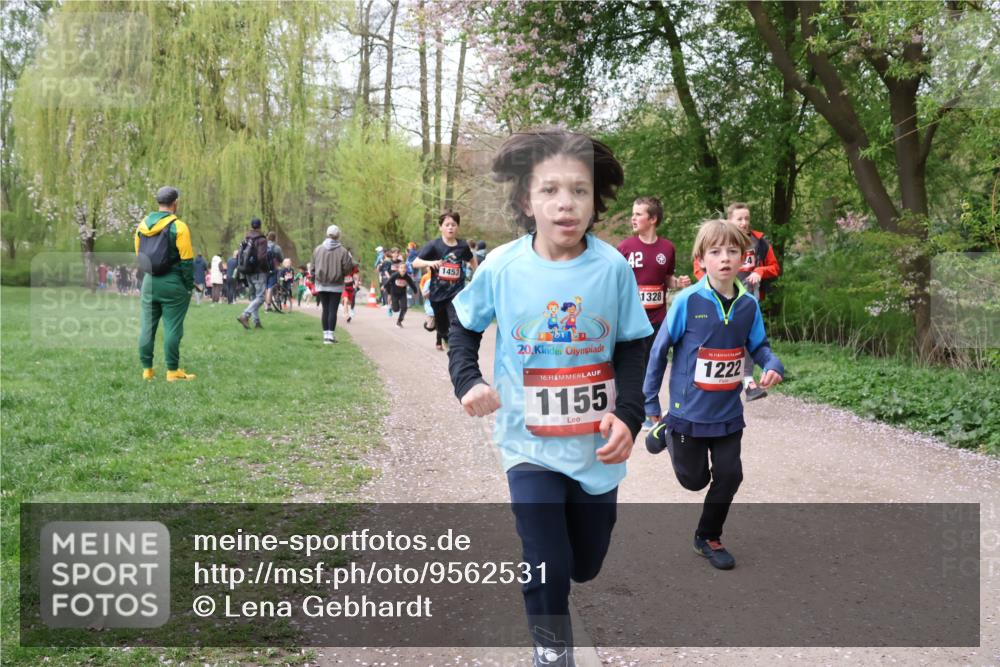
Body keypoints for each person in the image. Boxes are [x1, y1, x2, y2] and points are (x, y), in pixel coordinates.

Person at [447, 129, 650, 666]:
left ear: (596, 201)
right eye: (551, 191)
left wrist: (630, 415)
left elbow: (633, 345)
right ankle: (552, 654)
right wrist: (468, 380)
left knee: (584, 563)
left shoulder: (611, 269)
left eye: (580, 191)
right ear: (525, 202)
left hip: (594, 450)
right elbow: (463, 325)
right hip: (526, 443)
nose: (566, 203)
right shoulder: (502, 267)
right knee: (547, 562)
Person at [645, 219, 785, 570]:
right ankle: (667, 430)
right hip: (687, 411)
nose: (725, 258)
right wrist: (651, 403)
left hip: (726, 412)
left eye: (733, 251)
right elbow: (659, 351)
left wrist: (773, 364)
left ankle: (708, 536)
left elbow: (760, 347)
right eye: (715, 251)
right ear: (701, 259)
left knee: (730, 475)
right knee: (695, 481)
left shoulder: (748, 306)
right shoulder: (687, 301)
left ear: (744, 259)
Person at [693, 203, 780, 400]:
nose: (744, 223)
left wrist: (759, 271)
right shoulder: (717, 240)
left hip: (747, 299)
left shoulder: (759, 242)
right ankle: (708, 381)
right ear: (729, 221)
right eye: (739, 219)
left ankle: (748, 380)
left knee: (748, 338)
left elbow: (774, 267)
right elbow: (699, 267)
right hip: (717, 299)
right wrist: (708, 285)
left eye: (747, 219)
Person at [617, 196, 691, 426]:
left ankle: (651, 411)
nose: (633, 217)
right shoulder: (625, 248)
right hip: (631, 318)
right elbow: (615, 281)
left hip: (658, 318)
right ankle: (628, 409)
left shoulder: (667, 248)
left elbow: (666, 278)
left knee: (653, 363)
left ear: (653, 219)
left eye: (639, 214)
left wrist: (678, 283)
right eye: (633, 213)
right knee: (631, 364)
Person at [135, 186, 196, 381]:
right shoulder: (179, 227)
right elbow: (187, 261)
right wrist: (188, 286)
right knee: (173, 327)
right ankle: (172, 371)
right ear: (175, 203)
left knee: (147, 327)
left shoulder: (141, 226)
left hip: (149, 282)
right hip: (173, 283)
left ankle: (147, 370)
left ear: (158, 203)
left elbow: (139, 256)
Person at [413, 211, 478, 351]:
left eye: (453, 225)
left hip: (456, 292)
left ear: (457, 227)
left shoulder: (462, 246)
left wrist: (477, 274)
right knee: (442, 327)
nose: (450, 227)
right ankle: (442, 335)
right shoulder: (433, 245)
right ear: (440, 227)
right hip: (437, 294)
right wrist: (429, 263)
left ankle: (457, 347)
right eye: (447, 225)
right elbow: (415, 263)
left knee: (456, 320)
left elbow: (471, 259)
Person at [312, 224, 357, 344]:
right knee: (333, 310)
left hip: (321, 283)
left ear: (327, 234)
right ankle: (330, 336)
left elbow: (312, 267)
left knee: (325, 309)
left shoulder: (318, 249)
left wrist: (314, 280)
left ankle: (325, 335)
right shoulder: (343, 251)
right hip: (336, 284)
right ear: (338, 236)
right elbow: (347, 269)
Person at [236, 217, 269, 330]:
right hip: (259, 272)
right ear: (260, 226)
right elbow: (262, 258)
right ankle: (245, 315)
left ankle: (257, 322)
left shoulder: (246, 239)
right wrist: (266, 269)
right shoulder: (262, 240)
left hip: (248, 271)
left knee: (254, 296)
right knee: (261, 298)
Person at [381, 261, 418, 327]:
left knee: (404, 308)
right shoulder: (395, 275)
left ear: (406, 269)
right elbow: (389, 280)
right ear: (398, 269)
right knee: (396, 309)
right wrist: (384, 287)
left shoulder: (407, 277)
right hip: (394, 293)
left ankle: (399, 321)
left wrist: (415, 292)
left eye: (404, 268)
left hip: (402, 294)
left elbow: (412, 284)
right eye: (401, 268)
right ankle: (392, 306)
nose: (403, 269)